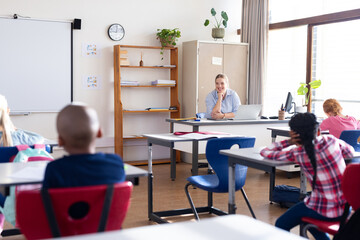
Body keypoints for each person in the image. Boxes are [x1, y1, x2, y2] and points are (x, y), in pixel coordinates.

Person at [260, 112, 354, 240]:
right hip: (346, 207)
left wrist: (289, 142)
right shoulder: (332, 141)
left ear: (295, 136)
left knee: (281, 223)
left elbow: (265, 152)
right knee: (306, 219)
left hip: (322, 208)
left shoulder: (297, 153)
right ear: (319, 131)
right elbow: (350, 153)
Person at [42, 103, 125, 188]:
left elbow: (46, 199)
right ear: (99, 132)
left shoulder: (54, 169)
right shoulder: (115, 163)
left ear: (60, 141)